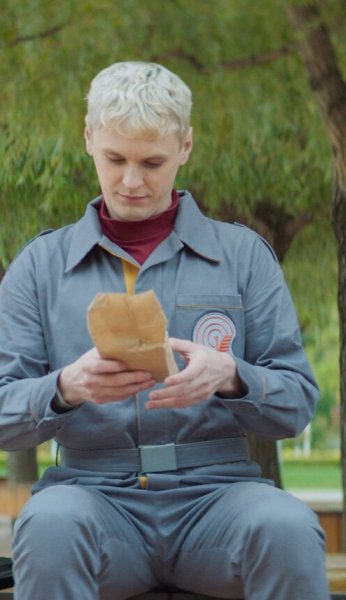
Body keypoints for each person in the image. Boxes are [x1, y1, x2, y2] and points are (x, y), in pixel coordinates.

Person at [0, 61, 329, 599]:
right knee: (49, 527)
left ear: (186, 147)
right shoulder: (38, 267)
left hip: (218, 497)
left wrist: (233, 376)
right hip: (91, 496)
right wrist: (64, 388)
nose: (132, 182)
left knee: (287, 528)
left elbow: (296, 405)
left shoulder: (243, 256)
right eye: (115, 159)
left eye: (152, 162)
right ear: (88, 139)